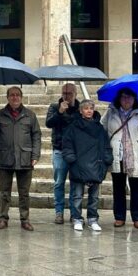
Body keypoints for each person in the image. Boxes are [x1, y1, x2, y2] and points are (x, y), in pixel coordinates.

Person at [0, 86, 41, 231]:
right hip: (6, 158)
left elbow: (36, 136)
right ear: (7, 97)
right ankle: (3, 218)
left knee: (24, 193)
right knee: (4, 192)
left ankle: (25, 219)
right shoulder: (0, 115)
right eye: (12, 95)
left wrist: (35, 155)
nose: (15, 97)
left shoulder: (30, 115)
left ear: (21, 97)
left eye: (17, 95)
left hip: (25, 158)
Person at [101, 87, 138, 229]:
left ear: (135, 99)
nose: (126, 100)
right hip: (118, 154)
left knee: (137, 188)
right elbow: (102, 129)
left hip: (136, 154)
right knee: (118, 188)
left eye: (129, 97)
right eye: (123, 97)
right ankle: (119, 217)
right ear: (119, 99)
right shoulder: (110, 112)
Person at [62, 99, 113, 232]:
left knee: (94, 196)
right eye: (86, 108)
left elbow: (106, 145)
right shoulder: (73, 126)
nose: (89, 111)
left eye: (91, 108)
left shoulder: (99, 128)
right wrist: (71, 159)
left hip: (95, 165)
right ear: (80, 111)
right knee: (77, 195)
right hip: (79, 164)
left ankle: (93, 219)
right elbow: (67, 144)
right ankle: (77, 218)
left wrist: (107, 159)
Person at [45, 83, 81, 225]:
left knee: (75, 184)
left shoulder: (80, 109)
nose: (67, 96)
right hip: (59, 149)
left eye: (70, 93)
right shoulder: (54, 107)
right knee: (59, 182)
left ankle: (74, 213)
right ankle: (59, 212)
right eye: (64, 93)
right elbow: (49, 123)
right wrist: (60, 112)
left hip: (76, 151)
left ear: (76, 94)